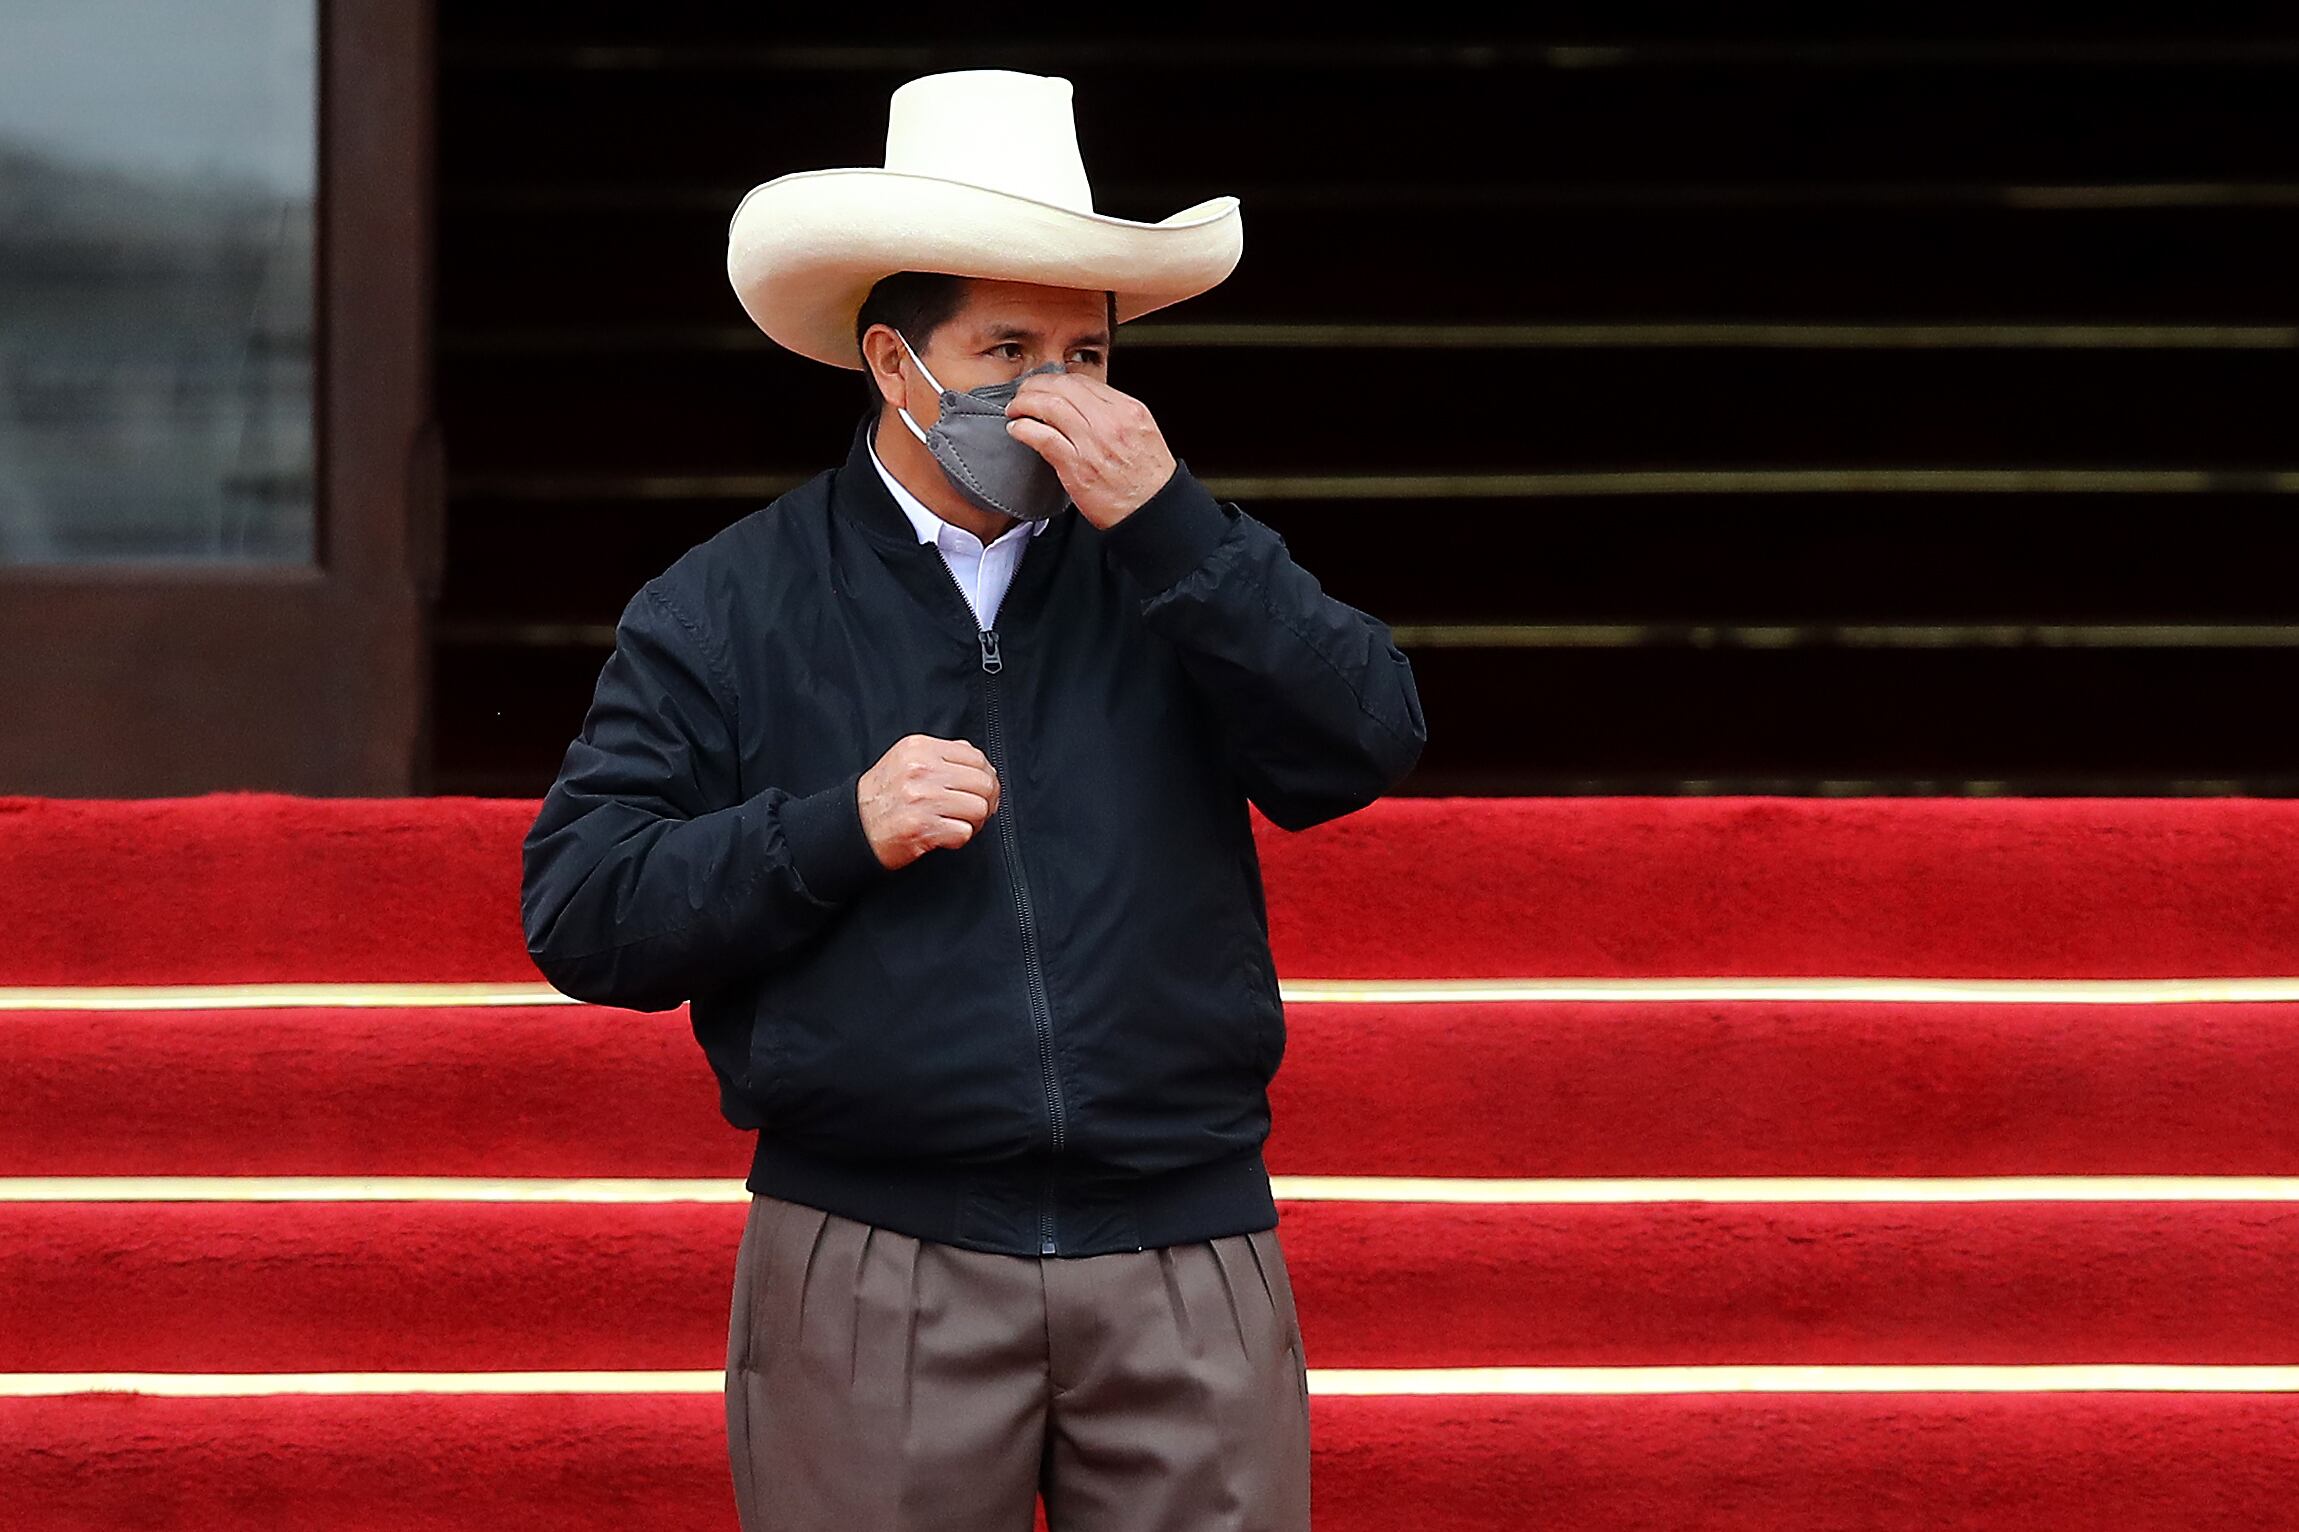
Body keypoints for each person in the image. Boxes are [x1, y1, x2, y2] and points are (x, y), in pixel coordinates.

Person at [520, 67, 1427, 1531]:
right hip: (872, 1251)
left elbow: (1364, 740)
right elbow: (581, 906)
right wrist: (833, 831)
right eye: (1007, 348)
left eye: (1086, 350)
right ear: (894, 363)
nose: (1054, 391)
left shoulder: (1178, 566)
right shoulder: (727, 605)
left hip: (1185, 1240)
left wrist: (1180, 531)